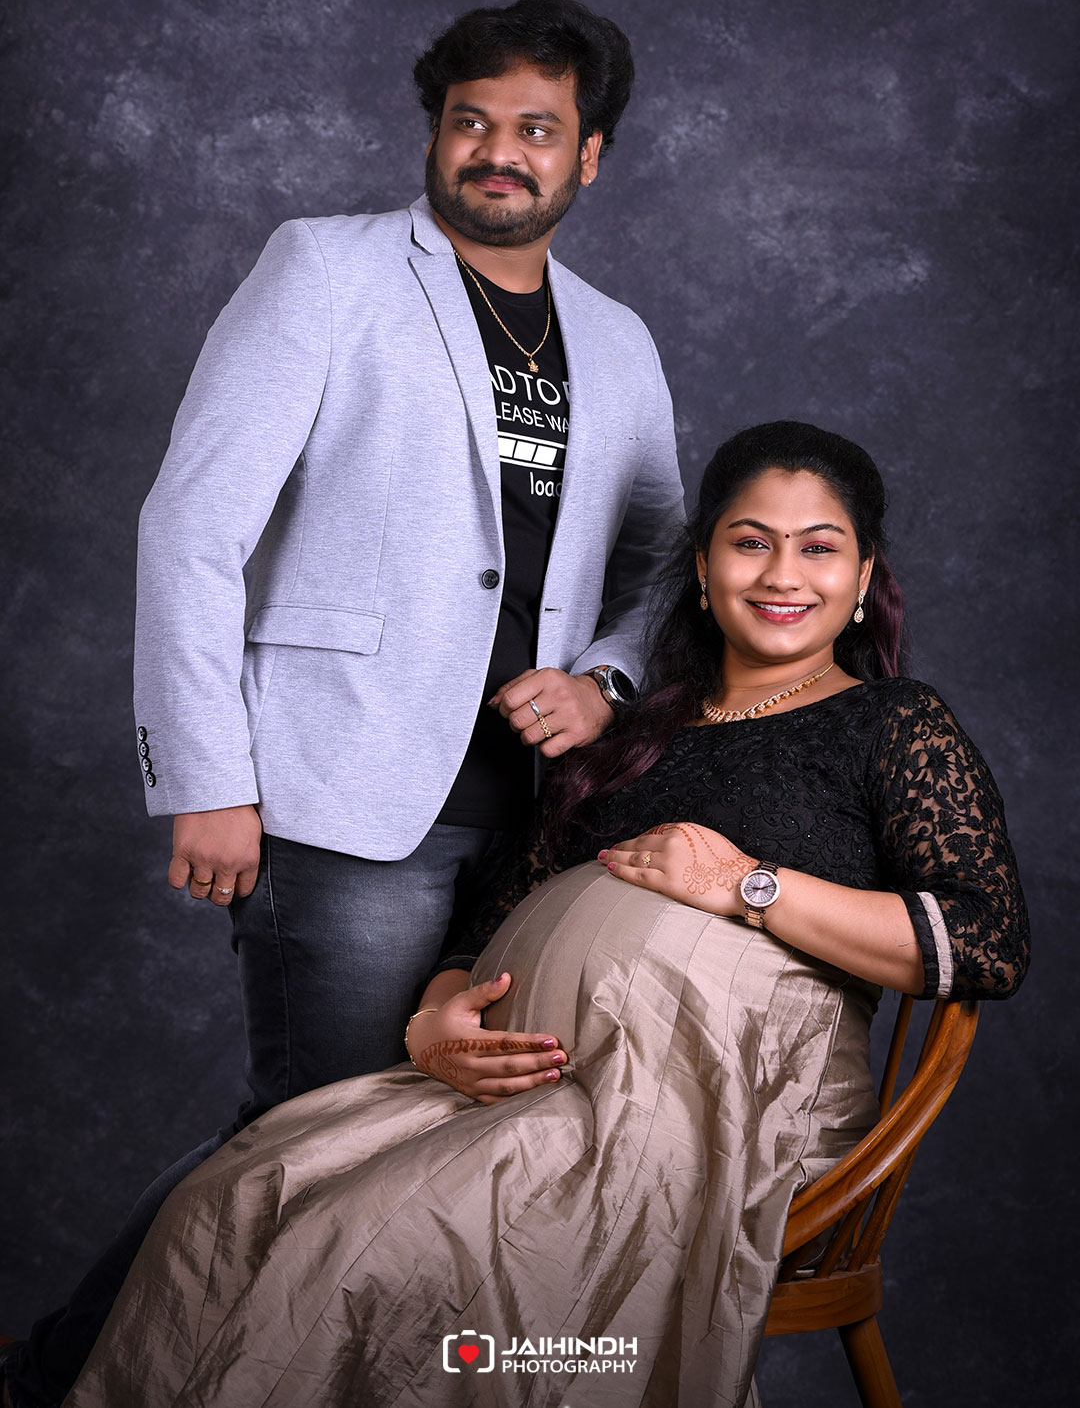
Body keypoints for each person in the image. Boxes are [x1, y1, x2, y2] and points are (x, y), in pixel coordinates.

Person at [2, 0, 684, 1408]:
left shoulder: (619, 339)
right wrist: (208, 776)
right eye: (471, 121)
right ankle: (66, 1373)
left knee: (429, 1145)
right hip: (339, 791)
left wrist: (608, 680)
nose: (498, 151)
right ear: (436, 132)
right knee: (313, 1134)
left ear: (589, 157)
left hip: (534, 816)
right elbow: (192, 525)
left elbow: (664, 555)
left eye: (536, 129)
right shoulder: (326, 268)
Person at [65, 421, 1028, 1408]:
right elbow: (495, 907)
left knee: (379, 1247)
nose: (783, 573)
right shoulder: (633, 734)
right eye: (751, 542)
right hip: (536, 1086)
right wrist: (435, 1018)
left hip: (722, 1105)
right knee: (236, 1200)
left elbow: (987, 940)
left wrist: (751, 883)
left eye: (818, 547)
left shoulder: (891, 723)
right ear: (702, 570)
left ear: (863, 576)